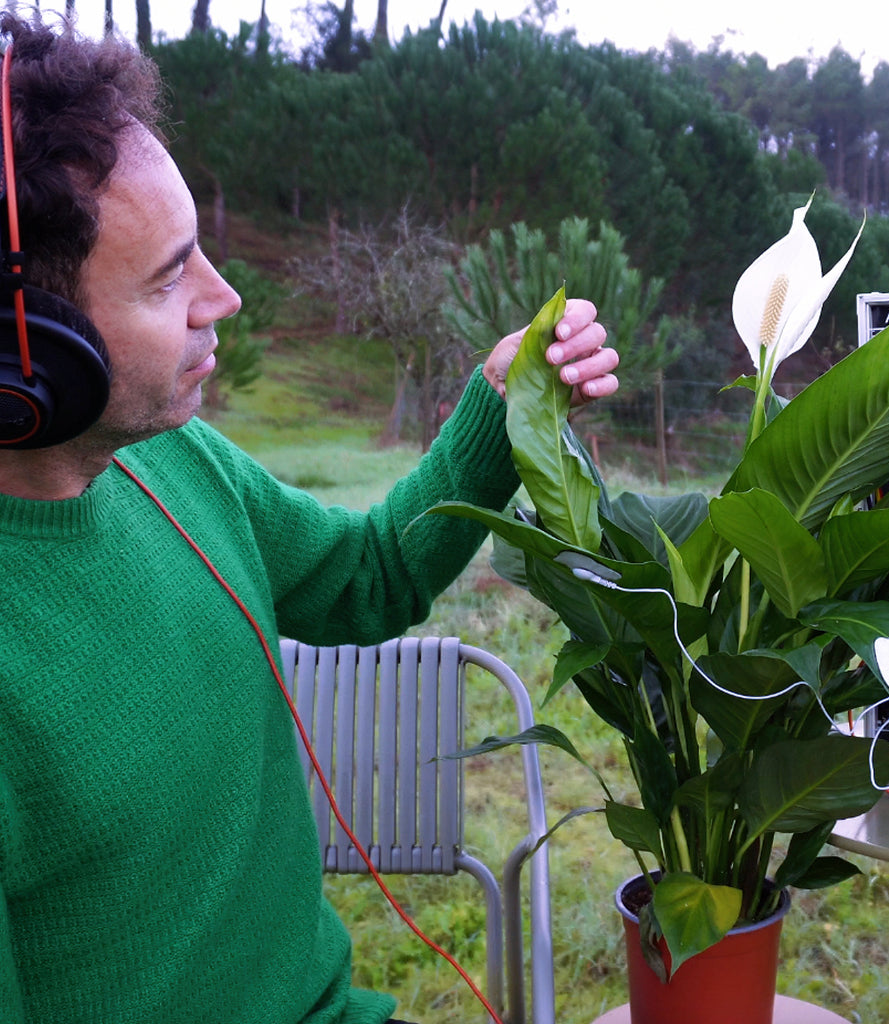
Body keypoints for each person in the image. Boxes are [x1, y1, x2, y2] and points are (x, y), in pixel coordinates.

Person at [0, 13, 618, 1024]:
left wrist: (502, 410)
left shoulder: (174, 460)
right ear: (30, 351)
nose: (225, 298)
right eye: (168, 281)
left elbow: (368, 575)